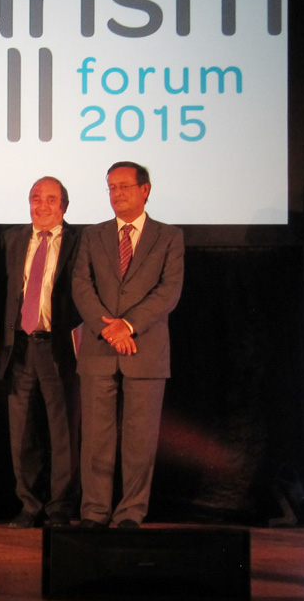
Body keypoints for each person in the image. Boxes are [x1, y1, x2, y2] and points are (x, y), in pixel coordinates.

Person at [71, 161, 183, 529]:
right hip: (99, 347)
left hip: (145, 348)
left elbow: (169, 291)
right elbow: (81, 286)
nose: (116, 194)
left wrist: (128, 325)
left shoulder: (169, 236)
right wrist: (108, 329)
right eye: (111, 187)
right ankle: (94, 511)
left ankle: (131, 512)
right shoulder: (93, 235)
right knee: (95, 439)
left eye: (124, 186)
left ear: (144, 190)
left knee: (140, 440)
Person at [0, 176, 82, 528]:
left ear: (63, 205)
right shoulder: (12, 239)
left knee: (63, 432)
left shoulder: (81, 241)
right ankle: (29, 505)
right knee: (21, 432)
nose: (42, 205)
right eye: (35, 197)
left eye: (50, 199)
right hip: (19, 347)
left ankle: (60, 506)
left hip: (58, 347)